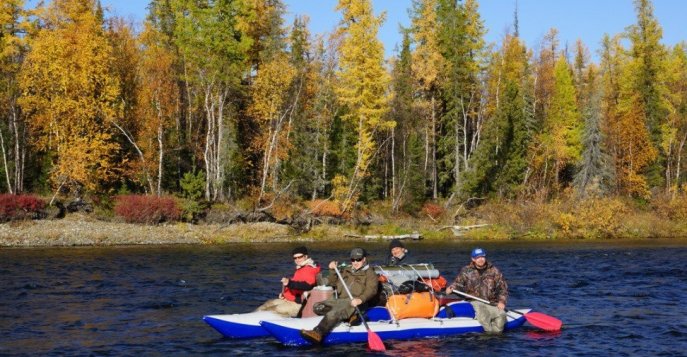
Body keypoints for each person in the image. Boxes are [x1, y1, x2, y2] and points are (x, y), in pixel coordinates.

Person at [300, 248, 379, 344]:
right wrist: (332, 270)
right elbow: (333, 282)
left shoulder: (371, 274)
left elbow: (371, 290)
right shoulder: (346, 270)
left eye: (358, 259)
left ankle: (318, 333)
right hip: (339, 299)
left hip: (354, 302)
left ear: (364, 259)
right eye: (353, 260)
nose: (355, 262)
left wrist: (360, 299)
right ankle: (349, 316)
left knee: (334, 313)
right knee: (317, 307)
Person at [445, 247, 509, 333]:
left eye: (482, 257)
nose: (481, 259)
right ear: (473, 259)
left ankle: (496, 337)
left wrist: (501, 301)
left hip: (492, 302)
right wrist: (451, 288)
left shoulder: (494, 271)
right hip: (474, 301)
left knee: (502, 315)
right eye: (478, 257)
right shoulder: (466, 270)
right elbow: (458, 283)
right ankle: (489, 337)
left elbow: (503, 288)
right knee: (484, 316)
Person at [256, 246, 321, 317]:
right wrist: (284, 294)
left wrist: (289, 283)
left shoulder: (309, 269)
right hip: (289, 299)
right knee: (266, 305)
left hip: (297, 304)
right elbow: (297, 283)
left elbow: (308, 285)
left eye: (300, 257)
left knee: (269, 311)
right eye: (295, 258)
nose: (297, 259)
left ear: (306, 256)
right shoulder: (301, 268)